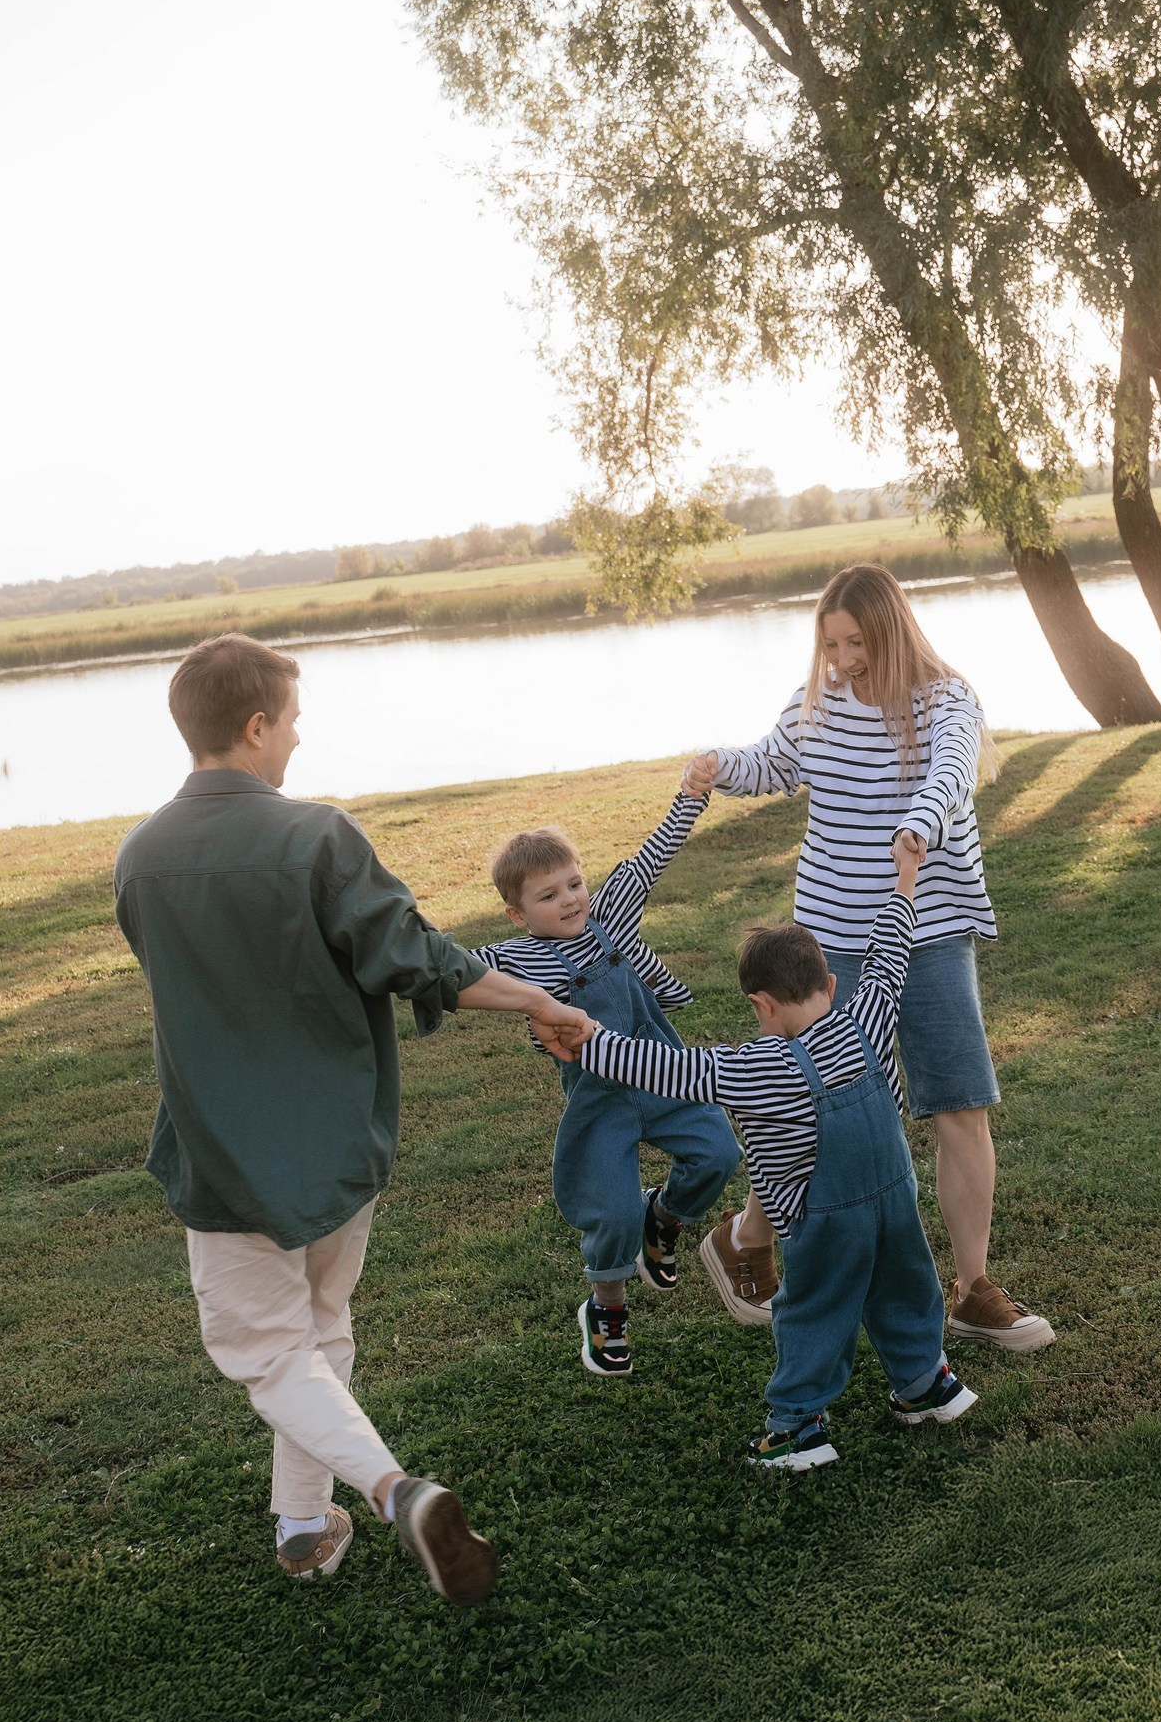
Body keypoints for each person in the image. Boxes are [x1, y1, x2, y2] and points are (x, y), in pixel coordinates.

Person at [114, 632, 589, 1603]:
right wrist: (537, 1000)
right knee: (317, 1329)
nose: (297, 736)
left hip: (220, 1152)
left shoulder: (139, 857)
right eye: (290, 719)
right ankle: (318, 1520)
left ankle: (370, 1497)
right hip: (334, 1144)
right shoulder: (318, 836)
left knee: (271, 1350)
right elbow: (419, 959)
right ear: (256, 726)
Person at [691, 562, 1055, 1353]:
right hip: (831, 936)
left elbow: (950, 772)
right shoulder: (816, 704)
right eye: (831, 645)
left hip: (930, 927)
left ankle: (972, 1289)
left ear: (889, 632)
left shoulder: (947, 699)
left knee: (959, 1103)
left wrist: (917, 826)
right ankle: (746, 1236)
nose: (843, 660)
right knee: (823, 1103)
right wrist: (718, 764)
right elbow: (771, 764)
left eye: (856, 643)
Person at [534, 833, 975, 1471]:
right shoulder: (872, 1013)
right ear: (830, 982)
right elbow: (889, 950)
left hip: (824, 1222)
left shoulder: (758, 1066)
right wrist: (905, 876)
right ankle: (926, 1383)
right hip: (896, 1200)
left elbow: (668, 1069)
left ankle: (797, 1428)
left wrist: (588, 1039)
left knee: (815, 1310)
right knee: (905, 1286)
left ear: (760, 1004)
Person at [468, 782, 740, 1378]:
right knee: (612, 1212)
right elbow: (447, 967)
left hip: (662, 1073)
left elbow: (651, 858)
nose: (570, 901)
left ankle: (662, 1217)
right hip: (599, 1100)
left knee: (719, 1153)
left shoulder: (608, 917)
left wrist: (691, 798)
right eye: (548, 896)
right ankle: (607, 1307)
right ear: (517, 915)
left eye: (574, 884)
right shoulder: (518, 959)